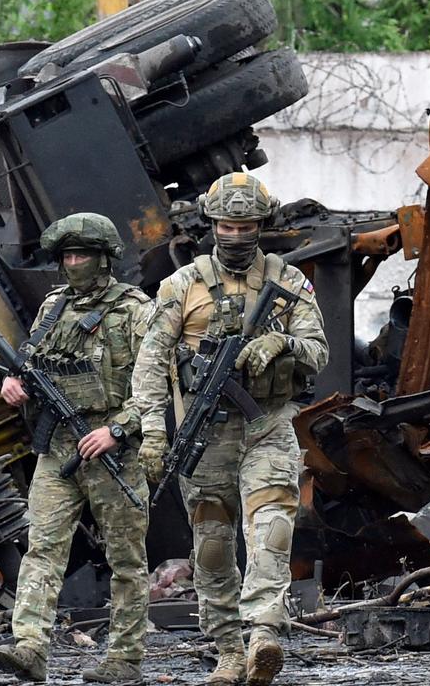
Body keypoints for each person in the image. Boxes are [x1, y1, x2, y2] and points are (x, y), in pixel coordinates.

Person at [128, 172, 328, 686]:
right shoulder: (181, 286)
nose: (236, 235)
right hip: (206, 435)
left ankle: (264, 631)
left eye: (246, 225)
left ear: (261, 224)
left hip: (267, 425)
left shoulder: (289, 282)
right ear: (210, 224)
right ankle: (227, 650)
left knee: (272, 529)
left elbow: (318, 352)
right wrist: (153, 431)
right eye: (226, 225)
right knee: (213, 547)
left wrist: (280, 344)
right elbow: (150, 364)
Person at [0, 213, 153, 683]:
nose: (74, 263)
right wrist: (14, 382)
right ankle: (30, 647)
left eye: (83, 254)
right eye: (67, 256)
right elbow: (30, 362)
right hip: (59, 446)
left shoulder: (136, 311)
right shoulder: (53, 307)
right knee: (42, 547)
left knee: (126, 559)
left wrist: (119, 430)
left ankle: (124, 659)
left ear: (105, 259)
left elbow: (160, 387)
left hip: (113, 450)